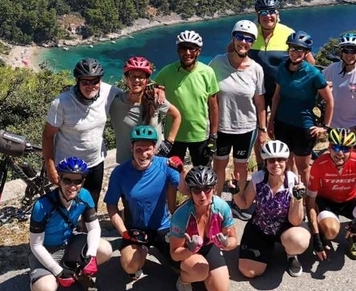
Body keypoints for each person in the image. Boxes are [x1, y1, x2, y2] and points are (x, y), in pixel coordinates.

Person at [28, 157, 114, 291]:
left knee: (105, 249)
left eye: (77, 181)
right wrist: (58, 271)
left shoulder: (84, 196)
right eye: (67, 180)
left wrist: (91, 256)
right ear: (59, 180)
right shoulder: (42, 206)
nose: (72, 186)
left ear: (83, 182)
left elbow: (93, 229)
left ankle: (79, 274)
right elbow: (36, 245)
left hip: (70, 242)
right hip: (47, 248)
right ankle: (40, 278)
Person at [104, 125, 182, 277]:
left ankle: (158, 249)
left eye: (148, 149)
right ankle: (143, 250)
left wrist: (182, 170)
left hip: (162, 226)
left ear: (155, 148)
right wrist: (124, 233)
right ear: (131, 147)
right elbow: (111, 207)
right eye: (138, 149)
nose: (143, 154)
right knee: (129, 266)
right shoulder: (120, 172)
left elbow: (187, 189)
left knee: (181, 268)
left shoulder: (165, 165)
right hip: (135, 229)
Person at [42, 57, 120, 206]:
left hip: (95, 161)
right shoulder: (62, 103)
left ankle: (87, 229)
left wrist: (155, 88)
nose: (91, 86)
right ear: (77, 81)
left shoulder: (107, 92)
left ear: (100, 80)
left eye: (95, 81)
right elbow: (47, 136)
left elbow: (132, 96)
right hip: (68, 165)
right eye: (85, 82)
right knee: (67, 205)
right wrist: (50, 168)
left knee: (91, 203)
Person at [247, 0, 315, 164]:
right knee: (259, 133)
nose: (268, 16)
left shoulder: (288, 33)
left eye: (271, 12)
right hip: (256, 93)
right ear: (257, 16)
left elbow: (309, 62)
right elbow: (232, 50)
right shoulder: (250, 32)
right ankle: (262, 168)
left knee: (283, 133)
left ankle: (287, 172)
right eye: (263, 12)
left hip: (283, 92)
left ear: (278, 14)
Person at [234, 140, 311, 279]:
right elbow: (244, 204)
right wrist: (235, 192)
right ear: (266, 162)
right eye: (271, 160)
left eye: (280, 160)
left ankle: (291, 254)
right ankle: (266, 249)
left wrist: (298, 198)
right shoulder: (258, 178)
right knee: (248, 271)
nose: (276, 164)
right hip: (260, 227)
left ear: (286, 161)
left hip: (286, 226)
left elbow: (295, 220)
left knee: (299, 240)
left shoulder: (292, 181)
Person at [268, 30, 333, 188]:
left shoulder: (313, 73)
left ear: (306, 53)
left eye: (299, 50)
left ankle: (307, 200)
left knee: (303, 167)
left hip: (303, 126)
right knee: (286, 164)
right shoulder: (282, 68)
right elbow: (276, 96)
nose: (295, 53)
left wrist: (325, 126)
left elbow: (330, 100)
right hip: (282, 123)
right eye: (292, 48)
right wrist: (271, 122)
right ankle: (290, 194)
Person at [209, 20, 267, 197]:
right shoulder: (218, 62)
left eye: (249, 39)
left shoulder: (256, 69)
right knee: (219, 165)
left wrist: (262, 129)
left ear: (252, 42)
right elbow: (206, 89)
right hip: (221, 126)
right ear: (233, 38)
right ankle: (216, 203)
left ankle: (239, 200)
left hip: (246, 128)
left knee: (241, 166)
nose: (244, 42)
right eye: (240, 37)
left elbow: (260, 102)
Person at [305, 128, 356, 261]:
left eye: (346, 148)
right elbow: (310, 201)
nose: (340, 152)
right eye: (336, 147)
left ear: (351, 149)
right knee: (331, 231)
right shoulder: (319, 164)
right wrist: (316, 236)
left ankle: (353, 234)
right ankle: (323, 233)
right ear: (329, 147)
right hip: (326, 201)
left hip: (349, 200)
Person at [168, 166, 237, 291]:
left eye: (207, 189)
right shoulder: (181, 215)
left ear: (214, 188)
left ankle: (200, 274)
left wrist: (226, 243)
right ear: (190, 191)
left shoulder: (222, 207)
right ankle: (184, 281)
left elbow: (234, 241)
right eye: (196, 190)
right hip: (187, 252)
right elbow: (174, 254)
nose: (203, 196)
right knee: (201, 270)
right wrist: (190, 250)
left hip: (209, 247)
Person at [151, 30, 220, 167]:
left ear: (198, 51)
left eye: (192, 48)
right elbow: (151, 87)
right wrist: (158, 89)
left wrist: (213, 136)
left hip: (200, 134)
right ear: (178, 50)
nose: (187, 53)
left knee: (202, 174)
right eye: (183, 48)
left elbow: (213, 106)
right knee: (172, 175)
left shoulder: (207, 72)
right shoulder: (167, 71)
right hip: (174, 135)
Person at [110, 56, 182, 164]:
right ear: (126, 78)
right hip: (127, 163)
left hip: (154, 160)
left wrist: (168, 143)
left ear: (146, 80)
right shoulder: (115, 102)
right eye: (132, 76)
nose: (136, 80)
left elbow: (177, 116)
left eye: (141, 77)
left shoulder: (155, 99)